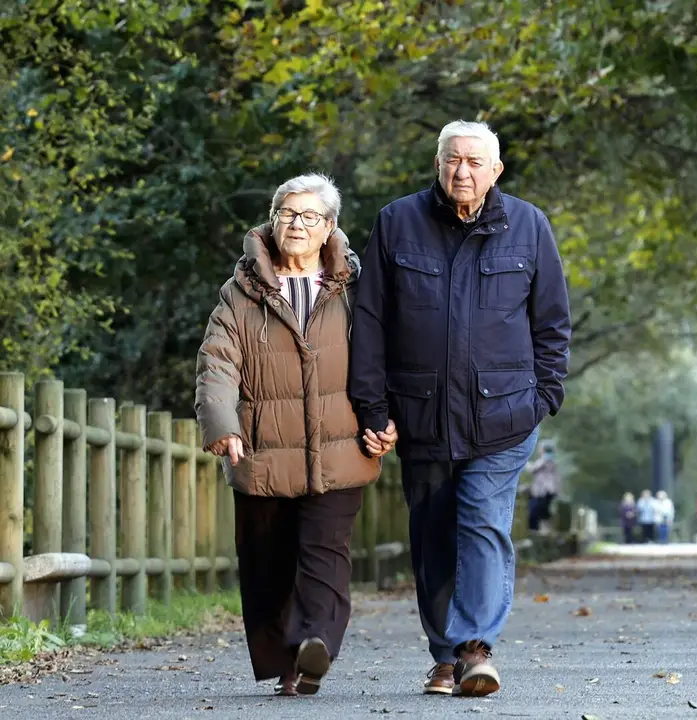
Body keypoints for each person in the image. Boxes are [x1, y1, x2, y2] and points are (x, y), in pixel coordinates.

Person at [348, 120, 572, 698]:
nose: (463, 171)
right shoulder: (397, 221)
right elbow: (369, 323)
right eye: (453, 159)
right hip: (419, 415)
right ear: (438, 163)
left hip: (505, 416)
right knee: (432, 538)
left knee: (482, 521)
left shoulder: (529, 226)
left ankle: (474, 649)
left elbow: (552, 323)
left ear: (496, 170)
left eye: (475, 162)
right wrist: (373, 409)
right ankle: (444, 657)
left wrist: (544, 397)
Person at [195, 174, 397, 697]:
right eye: (287, 214)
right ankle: (289, 663)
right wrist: (222, 424)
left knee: (326, 552)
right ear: (272, 221)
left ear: (330, 227)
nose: (297, 224)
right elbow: (217, 362)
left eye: (310, 216)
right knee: (268, 561)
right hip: (264, 449)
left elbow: (385, 357)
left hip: (341, 446)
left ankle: (315, 643)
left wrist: (388, 417)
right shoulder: (241, 292)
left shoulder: (355, 289)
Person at [525, 442, 560, 532]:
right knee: (543, 512)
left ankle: (534, 530)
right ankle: (543, 529)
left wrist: (524, 461)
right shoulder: (552, 461)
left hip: (542, 491)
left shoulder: (544, 460)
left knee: (534, 511)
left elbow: (532, 468)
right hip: (549, 491)